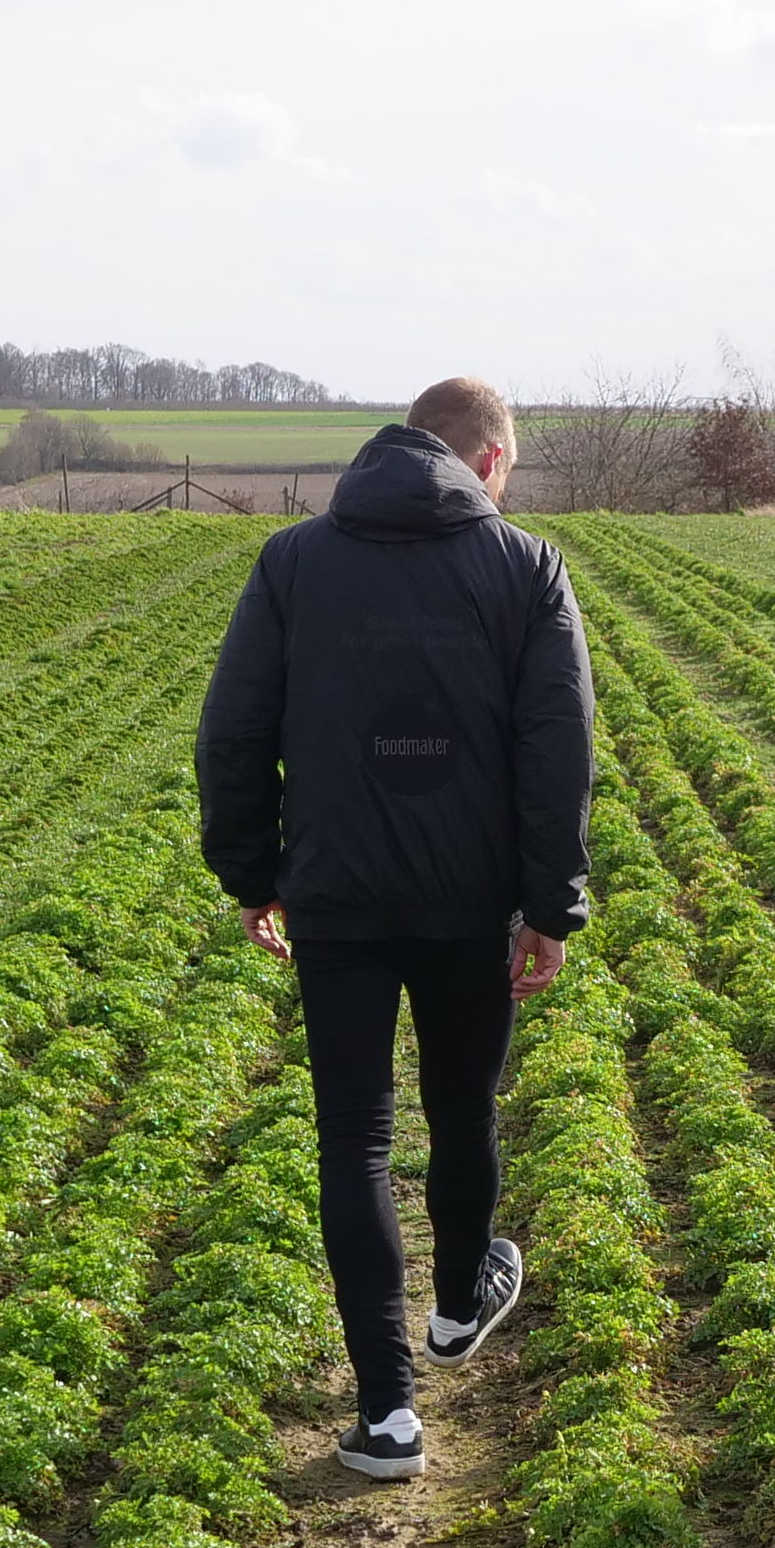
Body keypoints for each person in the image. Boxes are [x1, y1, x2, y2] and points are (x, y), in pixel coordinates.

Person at [195, 377, 594, 1483]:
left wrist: (251, 871)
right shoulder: (524, 568)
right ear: (490, 458)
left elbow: (232, 730)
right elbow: (558, 751)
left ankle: (388, 1420)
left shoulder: (293, 562)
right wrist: (551, 905)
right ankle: (461, 1304)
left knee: (355, 1138)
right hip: (470, 902)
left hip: (340, 902)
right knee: (461, 1109)